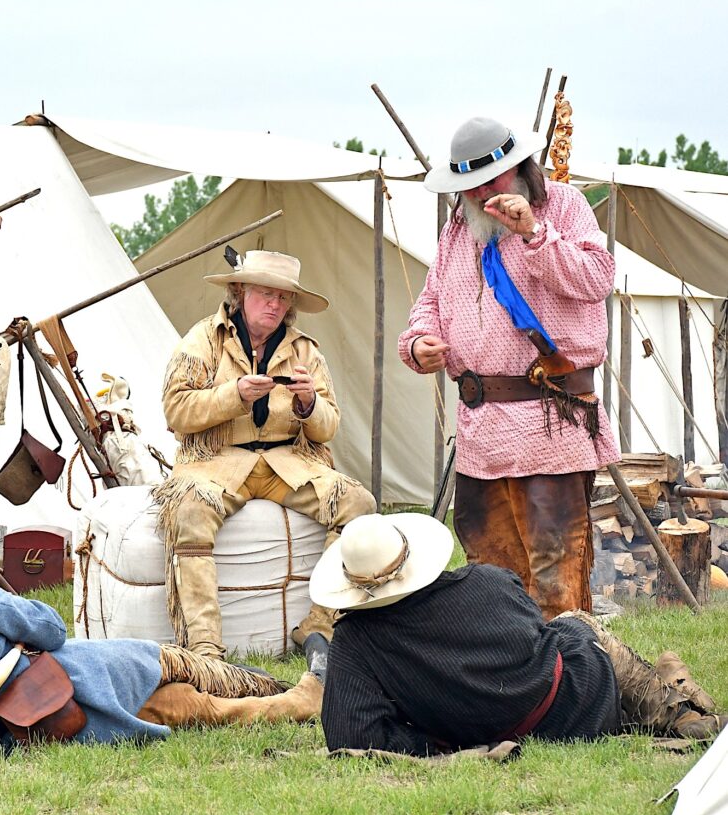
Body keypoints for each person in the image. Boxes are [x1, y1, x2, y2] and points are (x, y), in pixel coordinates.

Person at [0, 509, 324, 752]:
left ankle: (276, 686)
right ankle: (297, 700)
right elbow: (50, 629)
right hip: (69, 691)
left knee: (180, 688)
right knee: (181, 686)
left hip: (7, 735)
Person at [399, 115, 620, 619]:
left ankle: (566, 669)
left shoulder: (563, 206)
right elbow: (432, 300)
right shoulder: (459, 229)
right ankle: (509, 670)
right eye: (470, 186)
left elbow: (596, 278)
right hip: (481, 434)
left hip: (549, 423)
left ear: (518, 168)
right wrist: (417, 344)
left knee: (554, 582)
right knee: (491, 581)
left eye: (490, 180)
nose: (481, 194)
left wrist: (535, 234)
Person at [312, 513, 724, 757]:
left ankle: (670, 699)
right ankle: (673, 706)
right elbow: (536, 637)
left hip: (526, 724)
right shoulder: (487, 581)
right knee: (575, 625)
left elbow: (352, 735)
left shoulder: (353, 643)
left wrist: (437, 738)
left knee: (567, 635)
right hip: (581, 709)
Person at [153, 250, 377, 662]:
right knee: (189, 509)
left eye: (283, 297)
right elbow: (176, 411)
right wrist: (234, 395)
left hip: (286, 463)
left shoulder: (305, 351)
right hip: (216, 461)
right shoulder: (203, 340)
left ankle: (320, 628)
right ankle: (205, 648)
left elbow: (328, 427)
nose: (274, 304)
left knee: (358, 503)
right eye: (265, 294)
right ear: (240, 292)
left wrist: (309, 403)